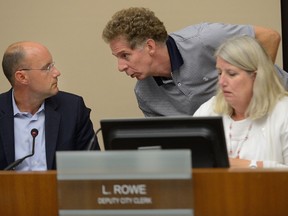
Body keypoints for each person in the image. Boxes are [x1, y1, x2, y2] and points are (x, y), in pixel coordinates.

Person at [102, 7, 288, 117]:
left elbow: (269, 37)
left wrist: (256, 93)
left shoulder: (204, 38)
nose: (121, 67)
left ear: (150, 46)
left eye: (125, 55)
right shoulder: (144, 94)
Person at [0, 41, 100, 171]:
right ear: (22, 77)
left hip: (61, 191)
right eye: (47, 68)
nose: (57, 73)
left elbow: (93, 166)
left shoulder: (72, 108)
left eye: (53, 66)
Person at [194, 35, 288, 168]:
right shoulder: (209, 109)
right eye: (220, 73)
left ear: (256, 76)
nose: (222, 82)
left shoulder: (283, 111)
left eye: (231, 74)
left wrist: (249, 165)